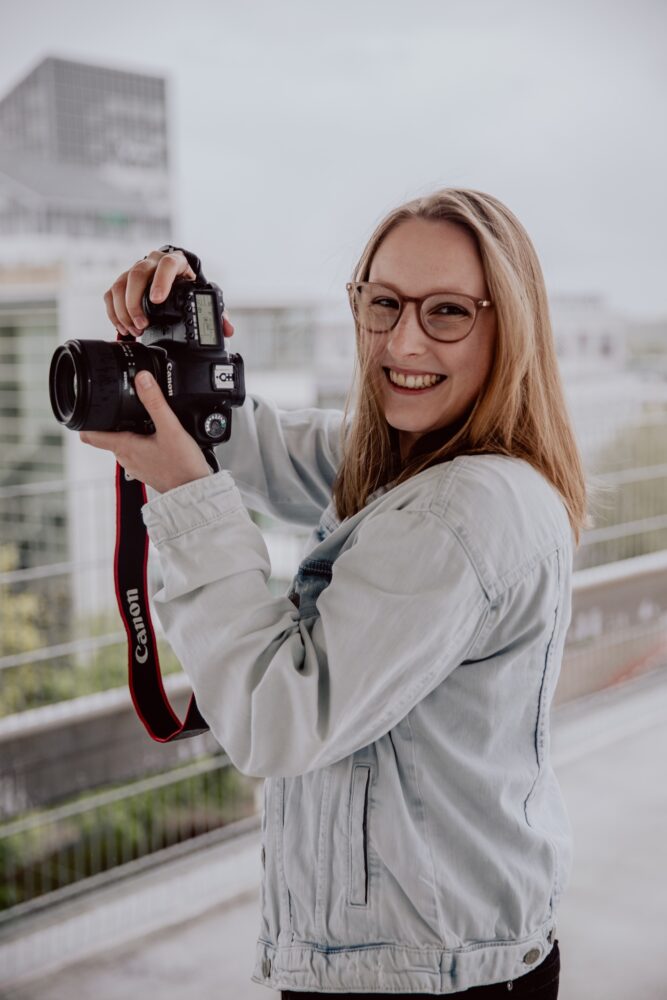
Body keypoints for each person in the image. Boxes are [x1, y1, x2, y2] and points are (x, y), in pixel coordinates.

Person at [81, 188, 588, 998]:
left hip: (428, 980)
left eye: (447, 312)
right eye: (382, 304)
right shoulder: (417, 452)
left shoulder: (464, 509)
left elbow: (277, 719)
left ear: (511, 326)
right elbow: (261, 446)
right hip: (424, 956)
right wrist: (176, 341)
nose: (402, 341)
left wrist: (183, 495)